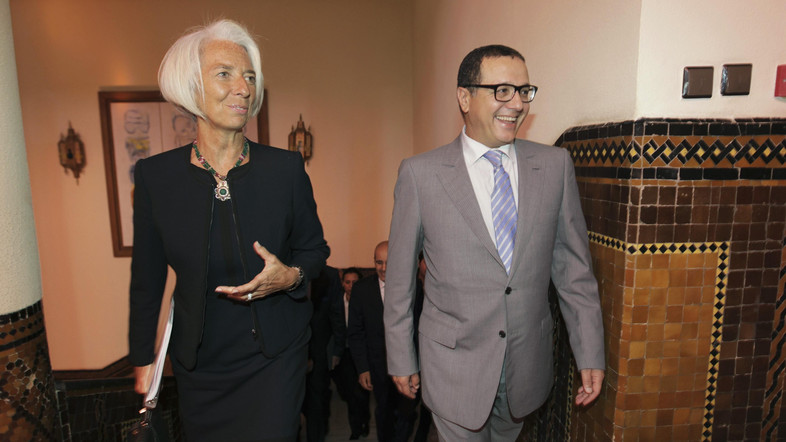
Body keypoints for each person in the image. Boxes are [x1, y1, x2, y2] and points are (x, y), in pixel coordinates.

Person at [384, 44, 605, 441]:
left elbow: (573, 270)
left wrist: (589, 351)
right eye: (502, 91)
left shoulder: (554, 166)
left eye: (524, 91)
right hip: (453, 366)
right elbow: (399, 281)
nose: (517, 104)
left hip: (526, 367)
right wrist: (401, 357)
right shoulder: (420, 175)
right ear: (464, 97)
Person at [128, 19, 329, 441]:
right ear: (191, 86)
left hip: (275, 357)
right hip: (200, 365)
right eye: (225, 74)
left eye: (250, 77)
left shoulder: (285, 170)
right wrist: (143, 356)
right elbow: (147, 278)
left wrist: (290, 276)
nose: (243, 88)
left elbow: (314, 250)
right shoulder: (155, 177)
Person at [348, 241, 417, 442]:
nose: (384, 268)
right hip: (377, 367)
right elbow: (355, 332)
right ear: (373, 262)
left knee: (407, 414)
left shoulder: (412, 286)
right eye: (379, 262)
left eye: (389, 262)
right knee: (384, 413)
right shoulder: (361, 290)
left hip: (407, 365)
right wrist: (363, 368)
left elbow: (419, 327)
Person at [303, 265, 344, 442]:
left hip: (319, 348)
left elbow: (337, 313)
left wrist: (337, 349)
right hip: (290, 350)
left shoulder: (330, 275)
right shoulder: (284, 266)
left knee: (316, 399)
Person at [331, 267, 371, 439]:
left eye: (354, 282)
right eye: (347, 282)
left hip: (362, 352)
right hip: (345, 353)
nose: (350, 286)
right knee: (350, 393)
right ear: (342, 283)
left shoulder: (366, 302)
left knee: (362, 392)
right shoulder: (336, 303)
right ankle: (355, 428)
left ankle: (365, 420)